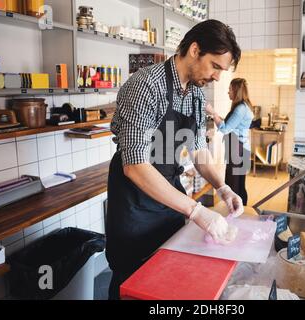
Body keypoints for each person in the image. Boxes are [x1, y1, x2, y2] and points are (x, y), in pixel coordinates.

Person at [106, 20, 243, 300]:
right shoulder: (145, 85)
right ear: (195, 50)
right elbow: (135, 165)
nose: (217, 77)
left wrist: (222, 187)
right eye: (215, 66)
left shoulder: (193, 93)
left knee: (164, 277)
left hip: (168, 198)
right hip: (135, 203)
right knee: (132, 281)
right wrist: (196, 212)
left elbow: (198, 150)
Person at [205, 78, 254, 205]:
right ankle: (241, 210)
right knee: (238, 183)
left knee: (234, 184)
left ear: (236, 91)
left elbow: (225, 129)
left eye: (230, 90)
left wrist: (213, 113)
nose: (228, 92)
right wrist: (217, 117)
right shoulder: (244, 106)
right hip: (240, 148)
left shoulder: (240, 109)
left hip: (238, 149)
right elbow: (231, 124)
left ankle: (236, 211)